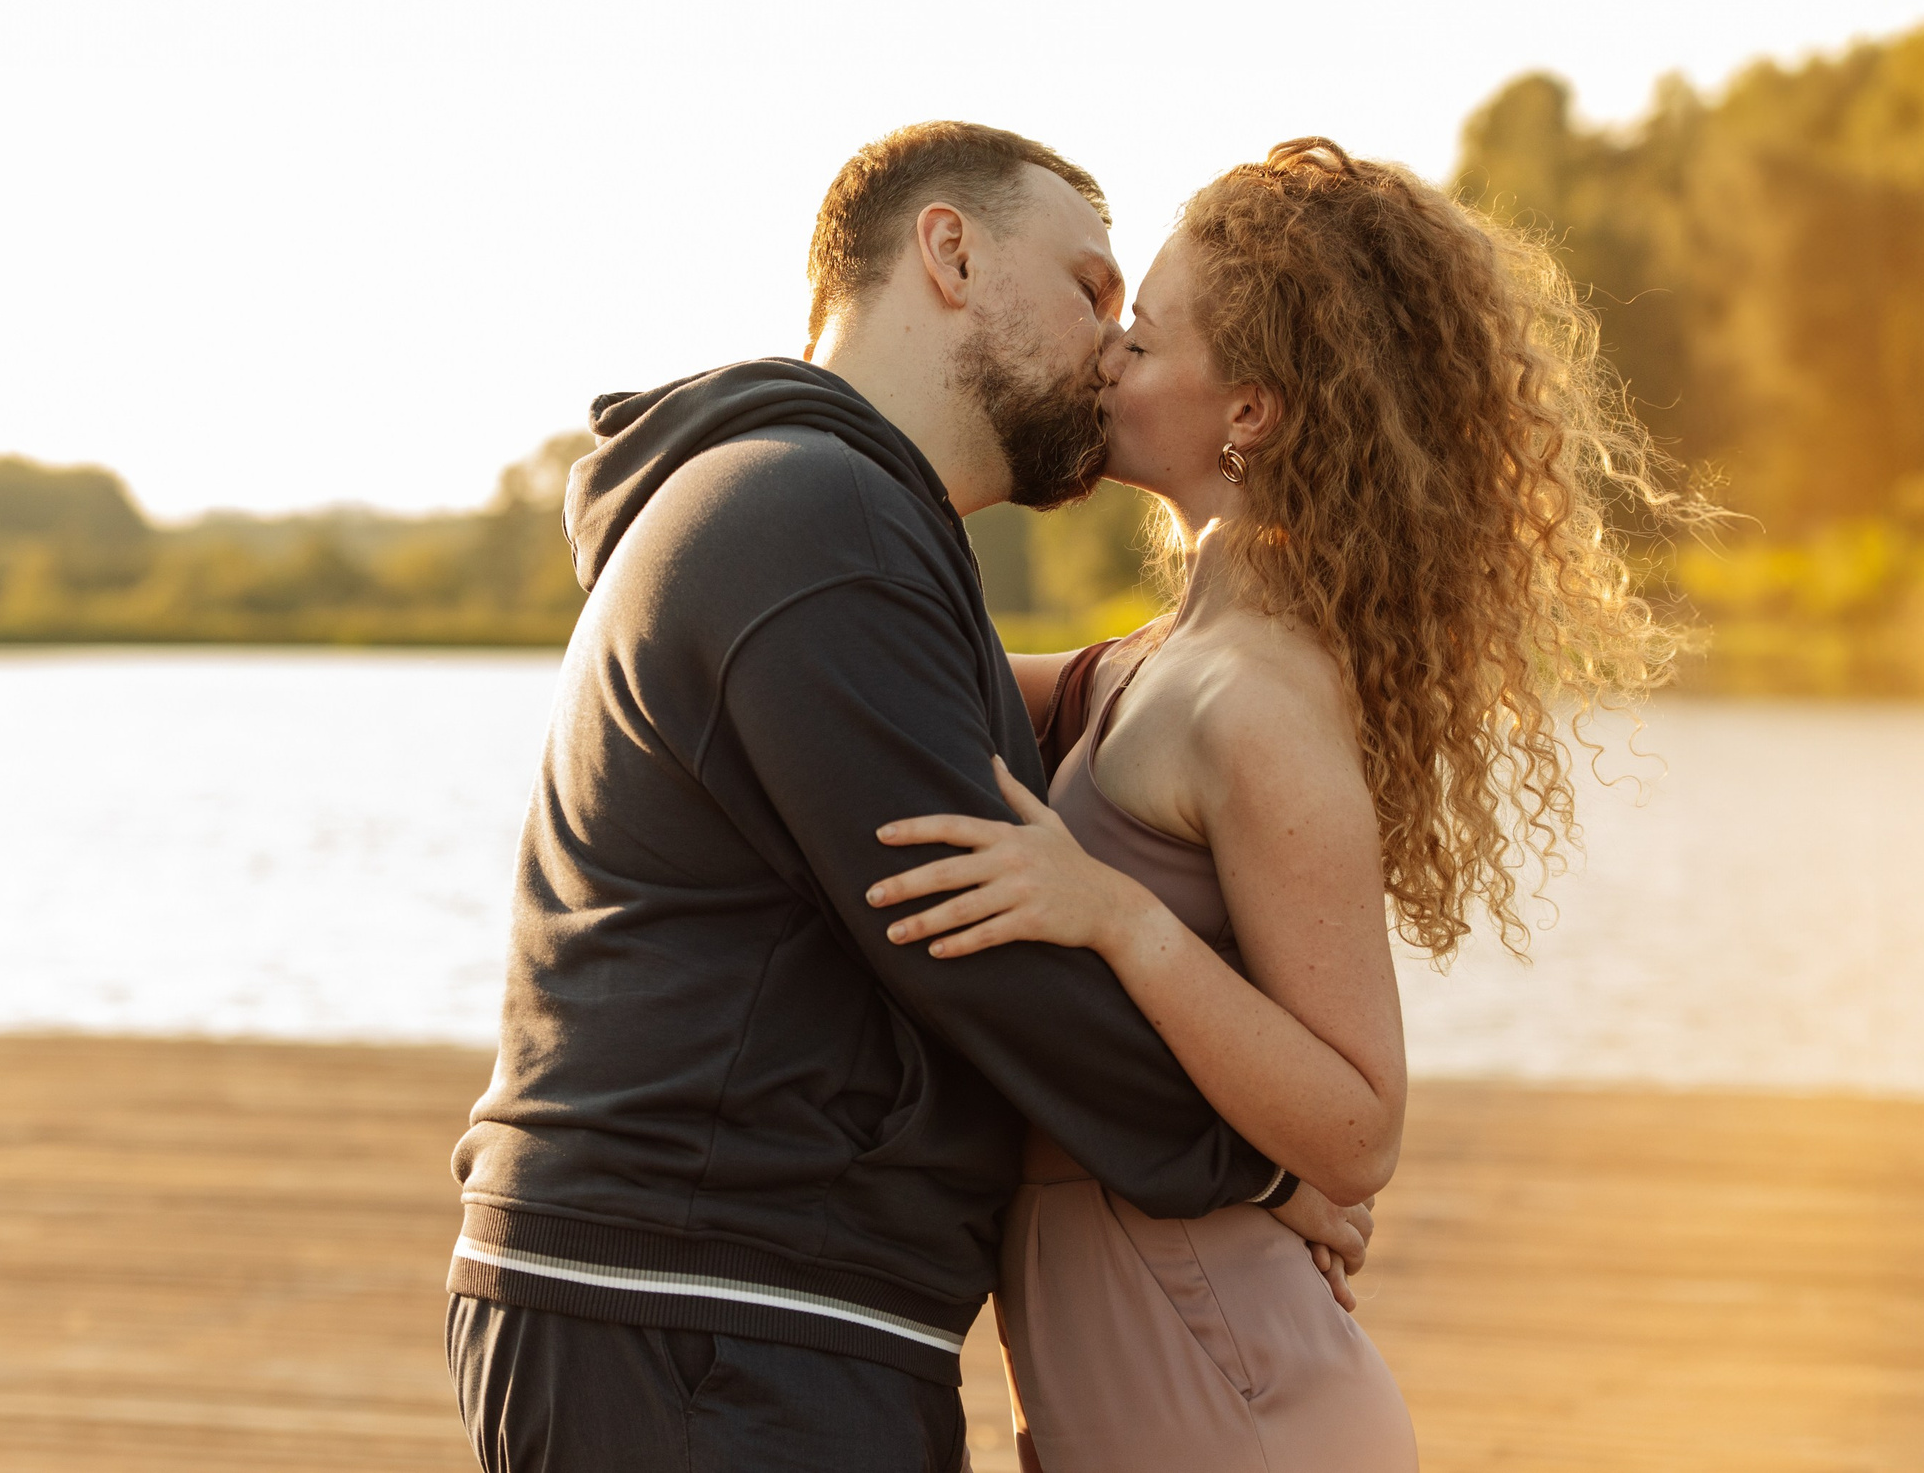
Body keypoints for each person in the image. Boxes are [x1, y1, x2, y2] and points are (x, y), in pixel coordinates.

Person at [444, 123, 1370, 1473]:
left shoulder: (818, 519)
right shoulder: (817, 520)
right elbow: (980, 949)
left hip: (730, 1304)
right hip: (711, 1309)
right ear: (950, 252)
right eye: (1090, 290)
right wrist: (1261, 1163)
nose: (1112, 342)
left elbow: (1037, 742)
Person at [867, 138, 1701, 1471]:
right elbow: (890, 663)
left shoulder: (1255, 701)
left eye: (1141, 337)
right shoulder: (1153, 664)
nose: (1106, 357)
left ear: (1247, 413)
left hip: (1223, 1388)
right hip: (1136, 1364)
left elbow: (1359, 1125)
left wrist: (1118, 921)